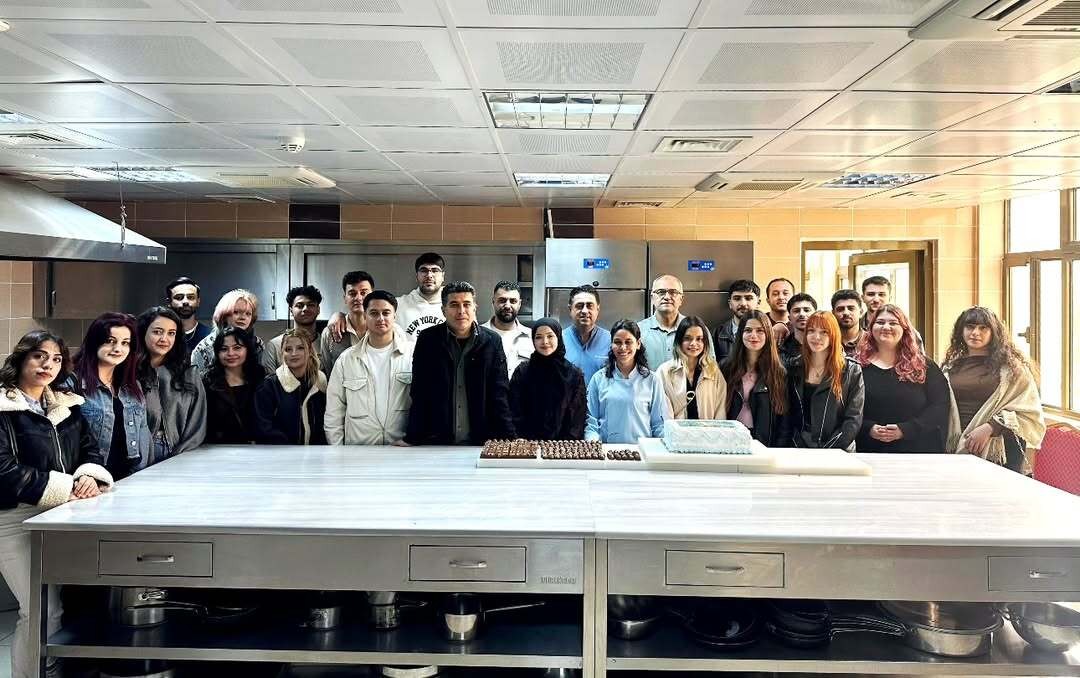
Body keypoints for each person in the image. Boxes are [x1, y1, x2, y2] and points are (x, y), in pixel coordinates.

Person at [0, 330, 113, 678]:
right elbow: (4, 470)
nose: (47, 364)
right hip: (14, 517)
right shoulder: (3, 406)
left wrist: (89, 476)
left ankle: (51, 670)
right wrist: (67, 487)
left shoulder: (67, 405)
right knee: (40, 608)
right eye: (39, 356)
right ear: (21, 358)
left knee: (62, 608)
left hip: (63, 514)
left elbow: (91, 450)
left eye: (56, 359)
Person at [404, 282, 515, 445]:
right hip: (436, 440)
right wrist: (412, 437)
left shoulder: (492, 341)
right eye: (454, 305)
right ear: (443, 310)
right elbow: (419, 391)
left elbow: (499, 393)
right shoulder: (428, 340)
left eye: (467, 304)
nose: (461, 311)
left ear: (475, 308)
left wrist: (509, 437)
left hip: (481, 440)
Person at [942, 306, 1045, 473]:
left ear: (994, 332)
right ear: (961, 330)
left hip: (1001, 448)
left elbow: (1029, 412)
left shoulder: (1012, 369)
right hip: (957, 444)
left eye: (983, 328)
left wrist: (990, 427)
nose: (975, 333)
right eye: (970, 327)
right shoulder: (950, 366)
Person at [855, 305, 950, 453]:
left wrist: (906, 430)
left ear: (904, 329)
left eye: (893, 323)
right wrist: (868, 428)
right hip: (868, 450)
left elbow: (940, 406)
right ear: (871, 328)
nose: (886, 327)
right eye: (880, 322)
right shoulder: (856, 366)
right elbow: (844, 409)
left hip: (918, 451)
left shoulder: (924, 366)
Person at [324, 291, 415, 445]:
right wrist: (337, 451)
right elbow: (334, 412)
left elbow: (426, 403)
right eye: (374, 313)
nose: (380, 318)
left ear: (395, 316)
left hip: (402, 449)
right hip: (358, 451)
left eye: (386, 313)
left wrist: (415, 441)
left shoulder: (413, 355)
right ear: (365, 316)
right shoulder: (347, 360)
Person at [71, 312, 151, 480]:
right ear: (95, 342)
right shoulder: (73, 384)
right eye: (110, 341)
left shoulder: (132, 385)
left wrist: (144, 474)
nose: (118, 349)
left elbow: (143, 434)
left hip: (130, 477)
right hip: (91, 480)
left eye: (125, 343)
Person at [779, 312, 864, 450]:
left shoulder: (851, 370)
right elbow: (787, 416)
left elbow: (853, 418)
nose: (816, 337)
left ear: (833, 335)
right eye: (811, 331)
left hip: (839, 449)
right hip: (799, 447)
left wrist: (829, 450)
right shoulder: (794, 367)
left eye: (824, 332)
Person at [136, 307, 206, 465]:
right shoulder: (128, 373)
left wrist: (180, 457)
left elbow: (198, 423)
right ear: (143, 332)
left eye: (171, 333)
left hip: (181, 453)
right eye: (157, 332)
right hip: (138, 455)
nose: (164, 339)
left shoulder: (189, 373)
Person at [585, 319, 668, 443]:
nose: (623, 347)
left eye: (628, 342)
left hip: (642, 451)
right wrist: (593, 442)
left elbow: (658, 425)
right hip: (607, 450)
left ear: (638, 344)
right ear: (611, 345)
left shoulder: (652, 380)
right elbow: (591, 422)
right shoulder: (598, 379)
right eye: (617, 342)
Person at [509, 318, 587, 440]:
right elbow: (514, 409)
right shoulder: (522, 372)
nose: (545, 342)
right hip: (526, 444)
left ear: (558, 337)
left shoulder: (573, 374)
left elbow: (577, 417)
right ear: (533, 340)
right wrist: (521, 439)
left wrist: (565, 445)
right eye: (538, 337)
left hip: (563, 446)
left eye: (550, 336)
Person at [721, 311, 787, 446]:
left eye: (760, 331)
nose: (753, 335)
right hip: (729, 441)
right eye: (748, 330)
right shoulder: (726, 368)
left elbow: (784, 419)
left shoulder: (778, 372)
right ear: (741, 334)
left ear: (768, 334)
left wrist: (777, 449)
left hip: (764, 443)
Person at [254, 329, 327, 445]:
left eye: (300, 348)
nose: (294, 353)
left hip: (316, 453)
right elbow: (264, 428)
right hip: (281, 452)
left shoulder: (321, 383)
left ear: (309, 351)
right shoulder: (269, 386)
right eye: (288, 349)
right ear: (282, 353)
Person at [202, 326, 267, 445]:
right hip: (218, 448)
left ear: (247, 349)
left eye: (237, 348)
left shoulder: (261, 378)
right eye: (224, 349)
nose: (230, 353)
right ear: (217, 352)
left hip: (258, 448)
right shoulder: (207, 383)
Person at [190, 289, 275, 375]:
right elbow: (196, 381)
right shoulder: (205, 348)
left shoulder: (257, 344)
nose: (242, 317)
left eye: (248, 314)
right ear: (223, 315)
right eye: (236, 312)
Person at [656, 316, 726, 420]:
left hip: (708, 430)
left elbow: (720, 411)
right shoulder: (665, 372)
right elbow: (664, 414)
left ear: (705, 342)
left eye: (699, 339)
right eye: (687, 338)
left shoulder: (713, 371)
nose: (693, 343)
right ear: (679, 341)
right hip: (676, 430)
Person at [321, 271, 375, 375]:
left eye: (363, 293)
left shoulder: (381, 329)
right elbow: (327, 372)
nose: (358, 298)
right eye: (352, 293)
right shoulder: (330, 333)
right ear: (345, 298)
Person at [482, 281, 533, 378]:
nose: (507, 306)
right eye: (502, 300)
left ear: (519, 304)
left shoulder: (532, 337)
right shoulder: (479, 335)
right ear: (493, 302)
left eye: (513, 301)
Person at [562, 285, 611, 386]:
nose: (584, 311)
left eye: (589, 306)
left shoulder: (611, 340)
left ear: (597, 309)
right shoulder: (558, 340)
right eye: (579, 306)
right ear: (570, 309)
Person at [267, 285, 323, 371]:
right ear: (291, 311)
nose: (305, 309)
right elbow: (269, 378)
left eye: (310, 305)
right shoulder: (275, 346)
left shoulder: (325, 345)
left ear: (318, 309)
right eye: (299, 305)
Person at [639, 275, 687, 370]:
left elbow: (708, 367)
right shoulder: (639, 331)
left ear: (681, 299)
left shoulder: (696, 330)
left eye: (673, 292)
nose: (667, 297)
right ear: (652, 298)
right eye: (661, 292)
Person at [397, 252, 447, 340]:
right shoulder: (398, 305)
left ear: (443, 276)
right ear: (416, 276)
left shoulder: (454, 305)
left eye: (435, 270)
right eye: (424, 270)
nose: (429, 275)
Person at [714, 279, 760, 364]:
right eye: (737, 298)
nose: (743, 303)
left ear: (758, 303)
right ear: (730, 304)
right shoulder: (718, 334)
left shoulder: (768, 331)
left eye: (748, 298)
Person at [167, 276, 211, 353]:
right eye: (179, 297)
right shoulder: (161, 336)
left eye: (191, 297)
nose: (185, 302)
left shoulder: (209, 336)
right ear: (169, 302)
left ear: (198, 301)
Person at [778, 293, 817, 368]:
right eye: (796, 311)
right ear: (789, 318)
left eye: (806, 310)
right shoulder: (781, 350)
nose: (802, 314)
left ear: (815, 315)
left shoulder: (826, 345)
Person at [831, 289, 864, 358]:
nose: (846, 313)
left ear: (861, 312)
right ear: (833, 314)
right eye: (840, 309)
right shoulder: (827, 342)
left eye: (851, 308)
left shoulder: (873, 342)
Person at [765, 277, 795, 342]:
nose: (781, 297)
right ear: (768, 300)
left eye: (785, 293)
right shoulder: (759, 322)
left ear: (793, 298)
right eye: (775, 294)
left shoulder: (799, 323)